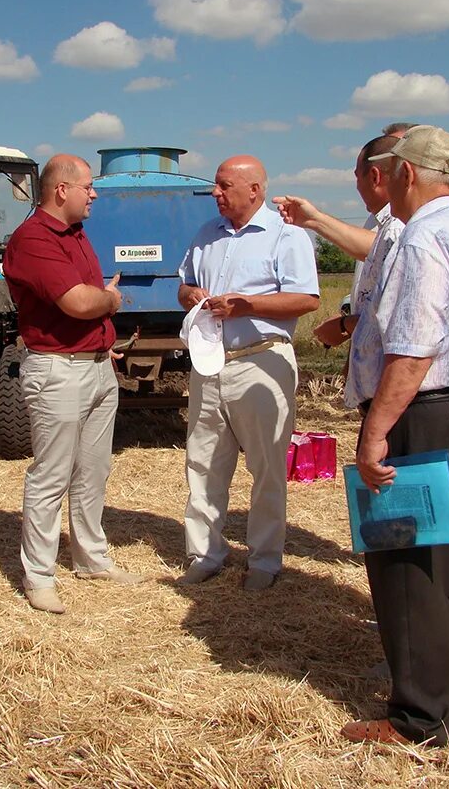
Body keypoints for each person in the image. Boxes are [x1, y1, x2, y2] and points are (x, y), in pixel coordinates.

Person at [342, 125, 449, 746]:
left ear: (406, 174)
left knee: (406, 562)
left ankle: (417, 716)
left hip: (422, 411)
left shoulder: (422, 240)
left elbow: (412, 349)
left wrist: (375, 431)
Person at [2, 153, 144, 615]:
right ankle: (39, 576)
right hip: (58, 371)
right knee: (52, 475)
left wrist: (102, 325)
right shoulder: (32, 239)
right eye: (88, 187)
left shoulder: (75, 234)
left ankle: (91, 558)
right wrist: (111, 299)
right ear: (62, 190)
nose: (95, 195)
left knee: (93, 470)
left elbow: (87, 299)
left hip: (97, 365)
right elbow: (79, 302)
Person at [175, 155, 320, 591]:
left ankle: (264, 561)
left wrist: (246, 305)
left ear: (254, 189)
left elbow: (306, 300)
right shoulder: (206, 235)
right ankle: (204, 553)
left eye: (224, 186)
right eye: (216, 187)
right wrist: (190, 294)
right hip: (210, 362)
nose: (215, 194)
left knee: (266, 467)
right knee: (202, 463)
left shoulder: (287, 236)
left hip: (261, 361)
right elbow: (182, 283)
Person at [274, 123, 415, 349]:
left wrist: (345, 326)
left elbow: (388, 250)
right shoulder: (377, 220)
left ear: (375, 176)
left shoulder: (407, 223)